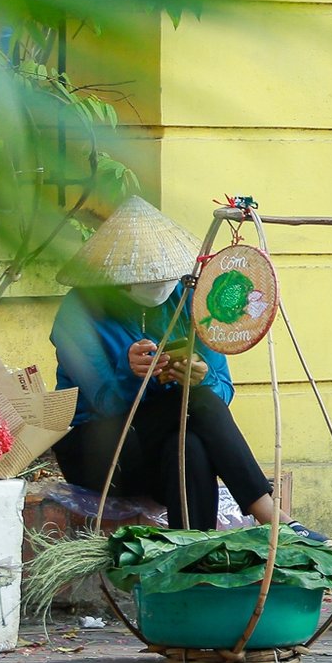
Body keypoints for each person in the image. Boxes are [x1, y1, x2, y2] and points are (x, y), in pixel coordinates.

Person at [50, 198, 284, 531]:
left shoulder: (190, 297)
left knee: (189, 442)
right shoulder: (79, 312)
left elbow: (222, 393)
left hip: (165, 449)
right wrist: (128, 370)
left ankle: (192, 554)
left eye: (166, 276)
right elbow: (106, 401)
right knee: (195, 406)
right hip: (103, 452)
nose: (160, 284)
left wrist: (199, 378)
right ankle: (270, 513)